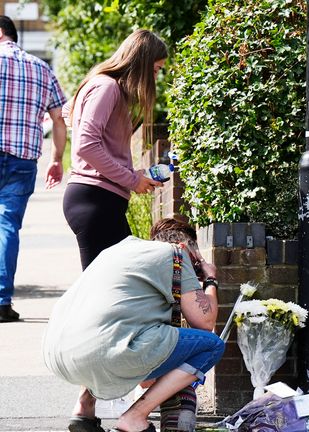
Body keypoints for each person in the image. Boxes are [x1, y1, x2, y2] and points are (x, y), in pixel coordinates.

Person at [43, 218, 224, 432]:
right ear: (185, 247)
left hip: (58, 353)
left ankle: (84, 409)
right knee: (212, 345)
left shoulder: (117, 251)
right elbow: (205, 322)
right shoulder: (176, 253)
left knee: (108, 327)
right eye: (196, 262)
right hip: (103, 353)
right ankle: (134, 417)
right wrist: (210, 279)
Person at [63, 29, 167, 270]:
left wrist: (130, 172)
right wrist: (131, 179)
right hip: (95, 200)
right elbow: (86, 145)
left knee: (113, 283)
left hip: (100, 199)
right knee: (103, 287)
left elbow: (68, 112)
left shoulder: (104, 86)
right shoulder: (107, 87)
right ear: (141, 63)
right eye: (155, 70)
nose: (155, 78)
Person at [0, 15, 67, 322]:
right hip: (21, 160)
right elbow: (59, 119)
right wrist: (56, 159)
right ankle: (2, 301)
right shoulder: (41, 68)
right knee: (7, 226)